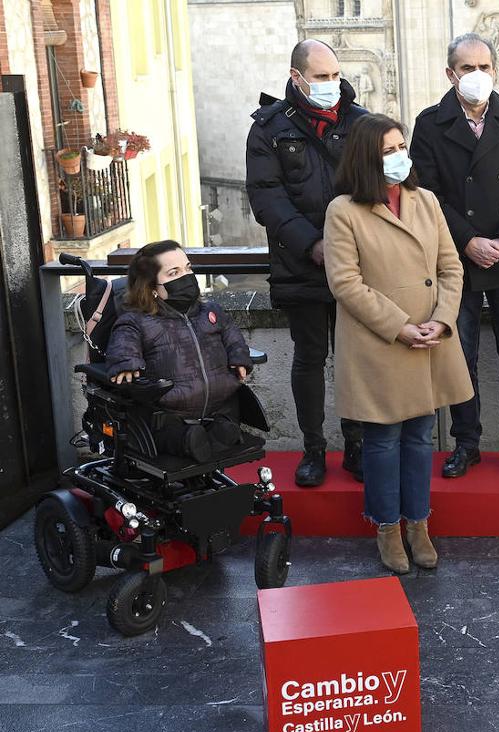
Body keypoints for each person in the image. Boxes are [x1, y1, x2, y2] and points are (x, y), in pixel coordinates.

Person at [323, 113, 473, 575]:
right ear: (367, 157)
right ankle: (387, 526)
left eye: (401, 146)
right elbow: (345, 284)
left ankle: (418, 524)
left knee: (421, 436)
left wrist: (442, 321)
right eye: (388, 150)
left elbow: (451, 267)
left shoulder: (425, 200)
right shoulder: (343, 211)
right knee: (383, 439)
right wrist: (400, 325)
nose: (399, 156)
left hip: (429, 339)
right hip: (381, 343)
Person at [410, 33, 499, 479]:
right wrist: (468, 240)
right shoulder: (430, 124)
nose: (478, 75)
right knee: (460, 355)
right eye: (468, 68)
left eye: (485, 66)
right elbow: (425, 193)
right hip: (455, 257)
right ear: (451, 74)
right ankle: (466, 443)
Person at [246, 39, 367, 488]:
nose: (331, 85)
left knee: (355, 359)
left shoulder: (360, 122)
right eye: (321, 77)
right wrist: (313, 245)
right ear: (296, 77)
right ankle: (313, 448)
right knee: (310, 358)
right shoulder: (269, 128)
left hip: (357, 265)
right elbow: (267, 198)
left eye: (335, 75)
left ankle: (356, 445)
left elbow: (377, 189)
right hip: (301, 263)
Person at [106, 241, 251, 463]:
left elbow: (232, 335)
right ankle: (188, 442)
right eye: (174, 272)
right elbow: (124, 342)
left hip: (219, 406)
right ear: (151, 287)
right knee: (174, 434)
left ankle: (217, 436)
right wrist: (126, 362)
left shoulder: (210, 311)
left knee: (227, 425)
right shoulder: (137, 321)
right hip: (171, 414)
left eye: (188, 267)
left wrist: (239, 356)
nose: (187, 276)